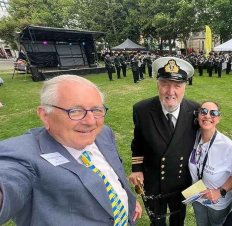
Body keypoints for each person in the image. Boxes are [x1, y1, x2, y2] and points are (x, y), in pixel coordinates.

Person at [0, 75, 142, 226]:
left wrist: (128, 200)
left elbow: (114, 174)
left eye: (96, 109)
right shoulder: (21, 155)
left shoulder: (104, 133)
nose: (90, 121)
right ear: (45, 115)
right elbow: (9, 180)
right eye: (75, 111)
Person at [129, 57, 200, 226]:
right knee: (157, 221)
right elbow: (137, 142)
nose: (171, 91)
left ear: (185, 87)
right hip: (153, 180)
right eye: (165, 84)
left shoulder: (195, 111)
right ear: (157, 85)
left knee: (178, 220)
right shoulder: (142, 110)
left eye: (177, 86)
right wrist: (136, 168)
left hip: (181, 181)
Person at [189, 101, 232, 226]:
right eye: (204, 111)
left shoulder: (229, 147)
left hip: (218, 203)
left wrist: (220, 192)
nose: (207, 116)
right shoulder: (192, 137)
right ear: (198, 115)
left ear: (218, 118)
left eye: (214, 113)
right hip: (197, 196)